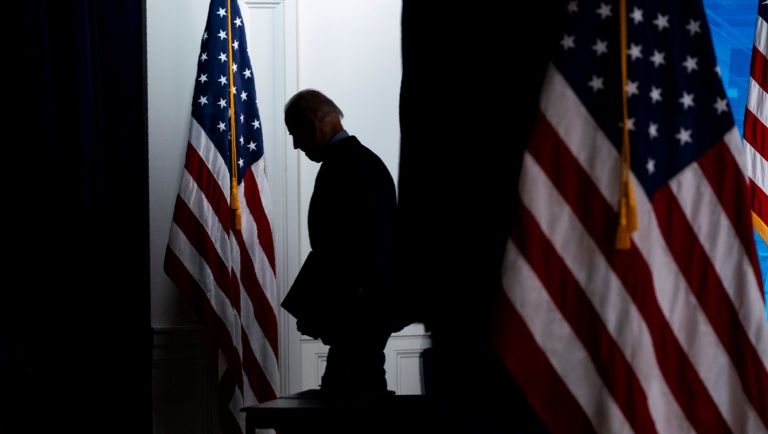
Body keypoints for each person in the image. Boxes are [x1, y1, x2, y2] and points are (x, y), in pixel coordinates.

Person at [281, 89, 398, 399]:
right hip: (362, 314)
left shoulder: (348, 166)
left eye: (296, 134)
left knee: (349, 400)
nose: (295, 144)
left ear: (312, 123)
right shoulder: (361, 163)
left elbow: (344, 252)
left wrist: (324, 309)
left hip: (358, 315)